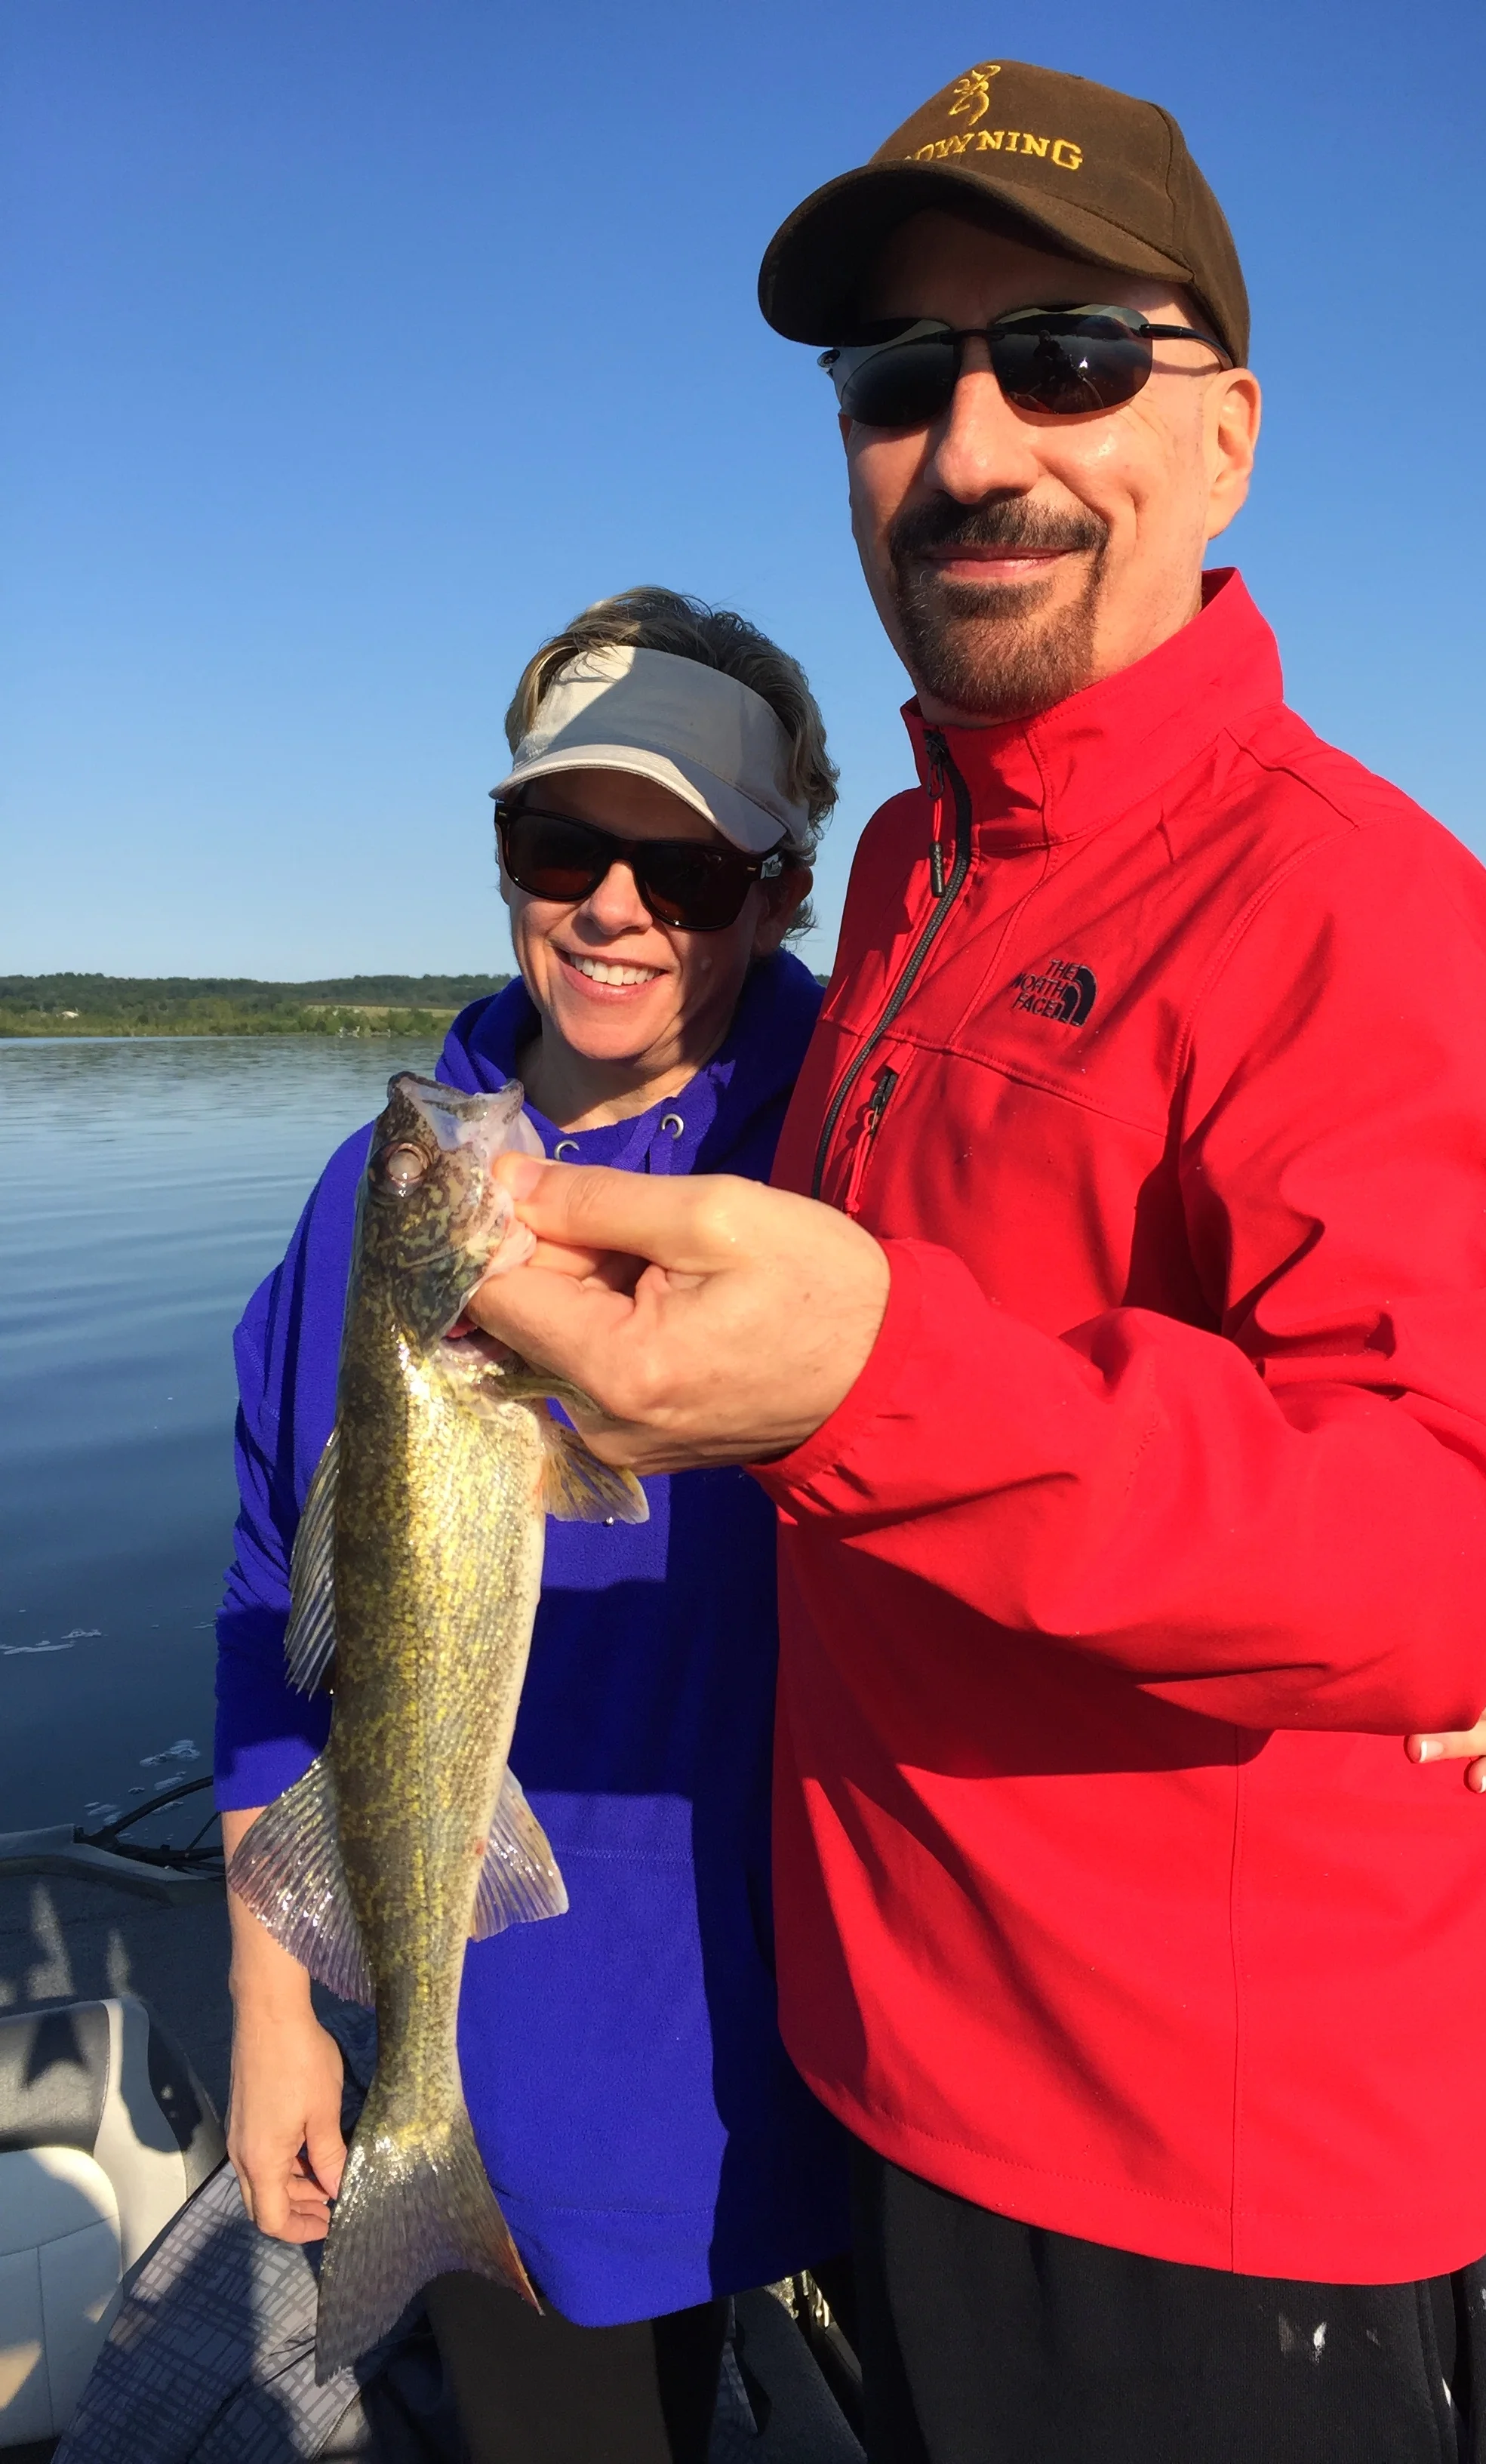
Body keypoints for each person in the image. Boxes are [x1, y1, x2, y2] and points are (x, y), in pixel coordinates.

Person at [469, 63, 1486, 2464]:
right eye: (900, 380)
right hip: (898, 2069)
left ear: (1226, 438)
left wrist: (867, 1387)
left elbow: (1448, 1540)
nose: (972, 446)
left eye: (1066, 357)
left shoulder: (1358, 909)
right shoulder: (905, 879)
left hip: (1214, 2181)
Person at [214, 587, 851, 2464]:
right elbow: (269, 1589)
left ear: (784, 892)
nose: (612, 909)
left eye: (689, 872)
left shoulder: (867, 1136)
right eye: (561, 845)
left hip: (857, 2024)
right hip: (534, 2053)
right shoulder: (392, 1189)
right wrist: (271, 1996)